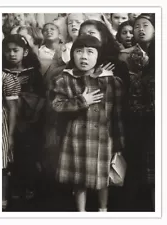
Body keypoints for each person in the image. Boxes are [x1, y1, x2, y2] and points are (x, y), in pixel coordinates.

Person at [52, 35, 125, 212]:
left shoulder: (110, 81)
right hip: (76, 138)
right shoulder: (65, 80)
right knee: (79, 181)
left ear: (98, 56)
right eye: (79, 52)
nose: (84, 57)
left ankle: (102, 210)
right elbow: (56, 105)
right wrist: (81, 100)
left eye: (90, 52)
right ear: (72, 54)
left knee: (102, 179)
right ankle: (81, 214)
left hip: (102, 136)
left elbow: (117, 114)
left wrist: (119, 140)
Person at [2, 34, 44, 199]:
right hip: (6, 120)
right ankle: (14, 188)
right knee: (11, 154)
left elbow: (41, 97)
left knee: (28, 154)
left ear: (25, 52)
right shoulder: (1, 72)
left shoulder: (33, 73)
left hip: (29, 120)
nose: (12, 54)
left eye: (16, 50)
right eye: (8, 51)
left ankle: (30, 186)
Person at [121, 14, 155, 211]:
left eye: (146, 25)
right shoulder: (128, 55)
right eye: (137, 26)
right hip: (141, 117)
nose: (141, 29)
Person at [2, 71, 21, 210]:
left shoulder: (5, 78)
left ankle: (1, 199)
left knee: (1, 165)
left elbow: (12, 109)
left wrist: (10, 134)